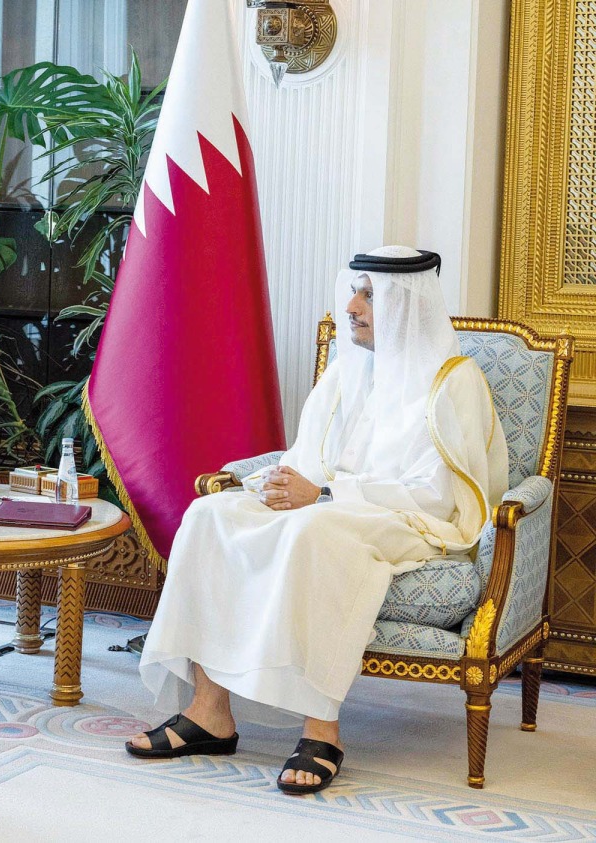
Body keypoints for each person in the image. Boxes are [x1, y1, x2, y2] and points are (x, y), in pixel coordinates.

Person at [126, 245, 508, 794]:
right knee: (210, 513)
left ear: (408, 305)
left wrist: (325, 494)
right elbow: (305, 456)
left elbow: (435, 494)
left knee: (314, 531)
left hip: (404, 517)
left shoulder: (452, 380)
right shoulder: (347, 368)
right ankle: (209, 713)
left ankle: (321, 730)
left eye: (370, 296)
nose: (352, 306)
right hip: (329, 503)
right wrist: (280, 486)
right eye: (354, 290)